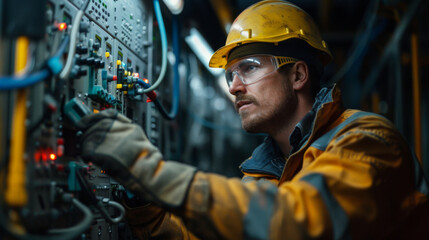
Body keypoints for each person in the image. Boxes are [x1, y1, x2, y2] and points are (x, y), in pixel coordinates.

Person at [78, 0, 429, 239]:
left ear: (298, 75)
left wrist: (149, 170)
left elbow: (300, 223)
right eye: (230, 74)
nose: (234, 87)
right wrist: (143, 200)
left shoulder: (367, 140)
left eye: (248, 68)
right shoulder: (264, 173)